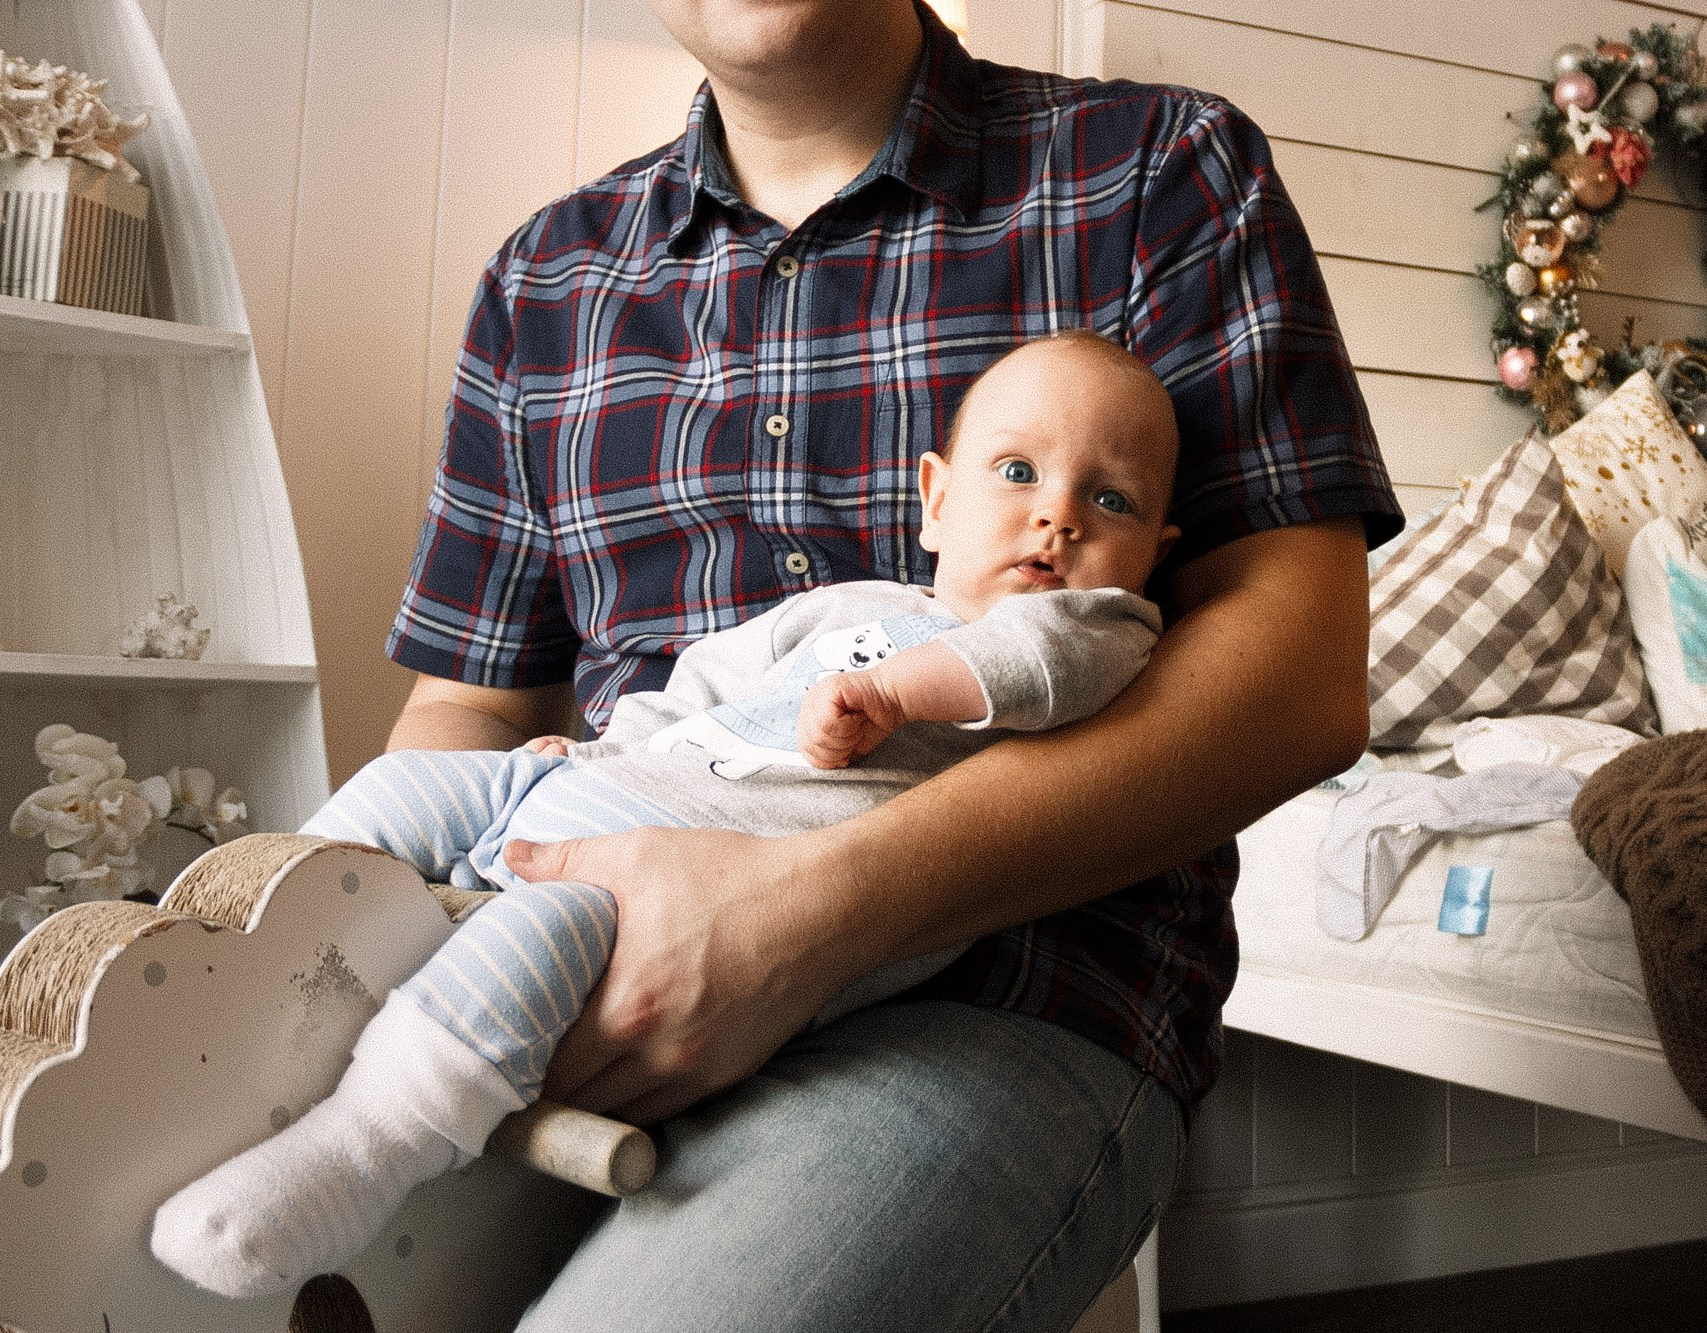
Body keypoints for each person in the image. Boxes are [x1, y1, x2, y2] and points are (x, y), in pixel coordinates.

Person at [366, 1, 1401, 1327]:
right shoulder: (543, 283)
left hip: (1002, 1006)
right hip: (557, 987)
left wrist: (795, 921)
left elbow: (1298, 680)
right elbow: (465, 702)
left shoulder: (1158, 172)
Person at [148, 331, 1181, 1299]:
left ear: (1153, 551)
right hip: (581, 791)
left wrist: (901, 695)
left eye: (1112, 501)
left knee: (536, 938)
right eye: (1017, 473)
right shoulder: (843, 608)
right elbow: (700, 687)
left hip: (659, 901)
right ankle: (239, 940)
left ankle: (361, 1150)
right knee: (402, 792)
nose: (1059, 517)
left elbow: (1038, 657)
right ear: (933, 499)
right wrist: (596, 749)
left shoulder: (1103, 631)